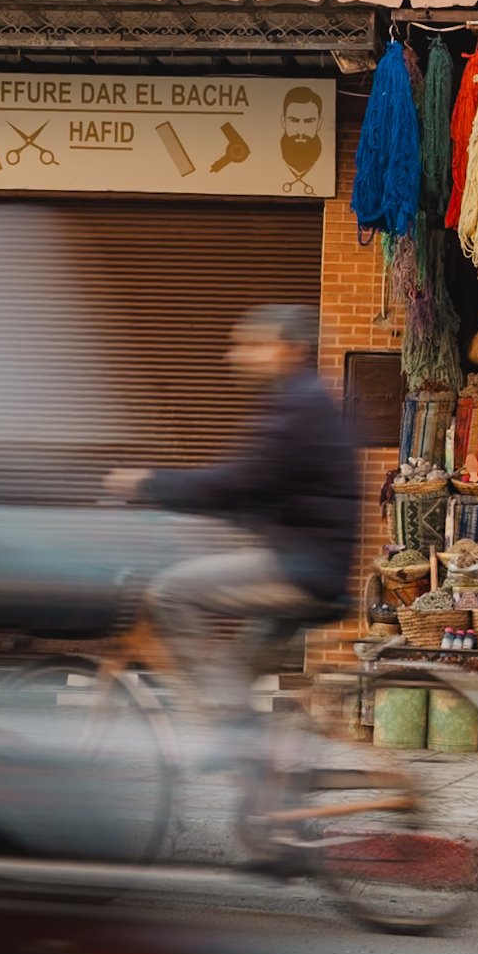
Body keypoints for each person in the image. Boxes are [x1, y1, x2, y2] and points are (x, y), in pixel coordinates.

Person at [106, 305, 358, 731]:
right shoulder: (301, 400)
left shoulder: (298, 406)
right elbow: (258, 492)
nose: (235, 356)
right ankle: (255, 767)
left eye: (254, 345)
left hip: (303, 569)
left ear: (292, 351)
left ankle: (225, 727)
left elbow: (237, 483)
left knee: (171, 593)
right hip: (307, 560)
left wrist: (149, 484)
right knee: (237, 672)